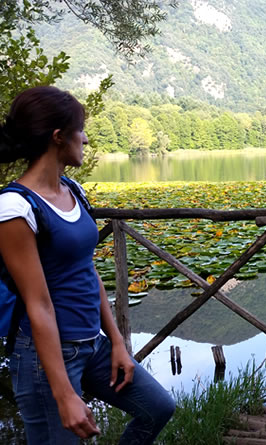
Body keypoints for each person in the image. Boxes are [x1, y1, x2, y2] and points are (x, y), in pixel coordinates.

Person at [0, 86, 175, 444]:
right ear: (59, 137)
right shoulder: (14, 209)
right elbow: (39, 304)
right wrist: (65, 393)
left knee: (156, 408)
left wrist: (116, 342)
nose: (86, 138)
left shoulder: (72, 190)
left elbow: (87, 270)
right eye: (80, 129)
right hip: (42, 356)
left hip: (91, 344)